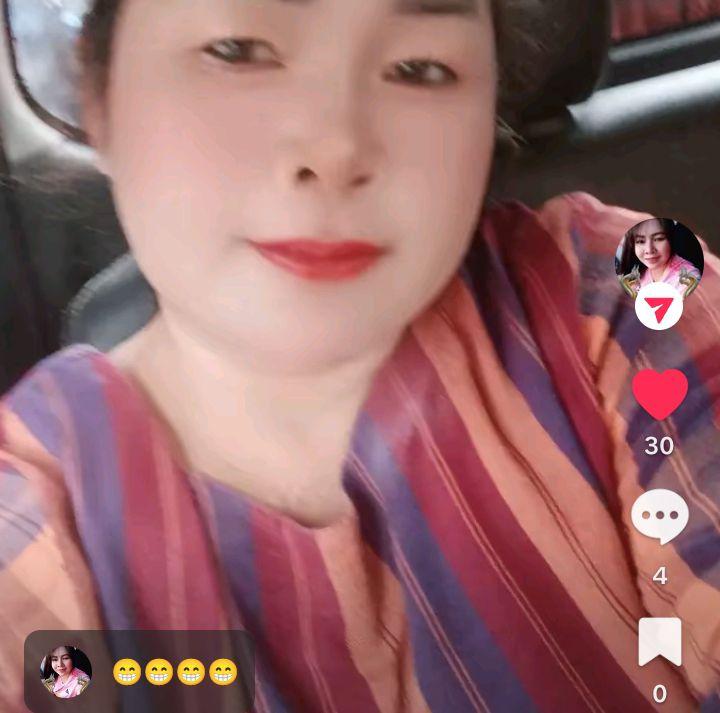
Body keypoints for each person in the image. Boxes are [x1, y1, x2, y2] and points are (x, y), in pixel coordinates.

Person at [1, 1, 719, 711]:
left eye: (420, 68)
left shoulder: (627, 292)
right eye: (237, 51)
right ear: (99, 97)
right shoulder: (30, 521)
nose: (336, 148)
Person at [617, 217, 703, 299]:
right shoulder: (635, 276)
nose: (649, 250)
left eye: (658, 239)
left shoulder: (688, 280)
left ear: (671, 239)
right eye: (641, 241)